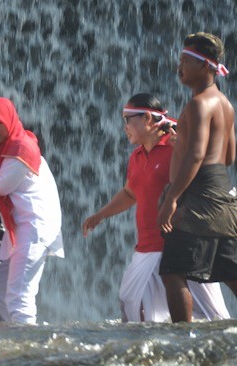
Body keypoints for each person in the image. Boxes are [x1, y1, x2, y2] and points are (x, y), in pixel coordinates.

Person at [82, 94, 229, 322]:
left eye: (128, 120)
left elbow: (207, 175)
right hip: (147, 247)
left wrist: (185, 146)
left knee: (213, 316)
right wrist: (100, 215)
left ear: (148, 119)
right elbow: (130, 193)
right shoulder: (136, 156)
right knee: (132, 307)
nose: (124, 127)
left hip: (181, 243)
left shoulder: (177, 146)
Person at [158, 32, 237, 323]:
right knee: (231, 272)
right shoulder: (225, 103)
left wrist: (172, 198)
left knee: (173, 272)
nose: (178, 66)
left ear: (205, 65)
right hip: (223, 197)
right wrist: (184, 138)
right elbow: (229, 155)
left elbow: (196, 156)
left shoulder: (198, 104)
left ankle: (183, 340)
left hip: (198, 200)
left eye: (185, 61)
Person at [0, 97, 64, 324]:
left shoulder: (21, 147)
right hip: (20, 227)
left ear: (10, 120)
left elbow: (0, 186)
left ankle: (29, 344)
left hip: (34, 226)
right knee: (1, 294)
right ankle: (15, 337)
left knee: (19, 297)